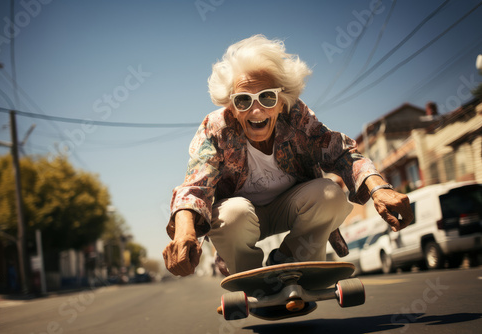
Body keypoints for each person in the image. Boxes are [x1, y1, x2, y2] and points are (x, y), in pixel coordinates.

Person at [163, 35, 413, 277]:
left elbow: (340, 151)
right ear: (232, 107)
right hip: (243, 219)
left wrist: (379, 188)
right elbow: (196, 186)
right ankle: (250, 276)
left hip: (292, 208)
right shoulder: (216, 128)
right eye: (243, 101)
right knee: (232, 215)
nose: (256, 109)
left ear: (282, 102)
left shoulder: (297, 118)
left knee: (331, 194)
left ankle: (292, 263)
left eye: (267, 97)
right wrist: (184, 233)